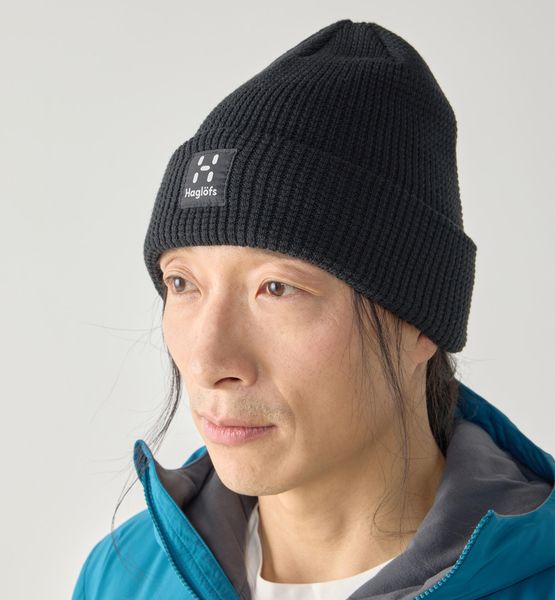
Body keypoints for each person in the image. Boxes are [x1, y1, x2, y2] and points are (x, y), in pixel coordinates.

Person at [71, 18, 555, 600]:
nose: (208, 361)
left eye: (276, 288)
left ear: (419, 321)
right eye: (182, 282)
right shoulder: (121, 578)